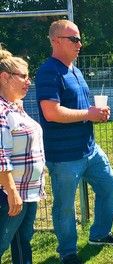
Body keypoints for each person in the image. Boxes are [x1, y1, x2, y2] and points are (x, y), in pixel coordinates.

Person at [35, 19, 113, 264]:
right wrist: (89, 114)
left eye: (79, 39)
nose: (80, 44)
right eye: (74, 39)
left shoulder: (74, 70)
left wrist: (95, 113)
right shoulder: (48, 71)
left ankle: (99, 234)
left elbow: (79, 109)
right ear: (56, 41)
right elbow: (51, 112)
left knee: (109, 186)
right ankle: (68, 252)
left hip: (89, 149)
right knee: (65, 207)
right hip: (64, 156)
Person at [0, 48, 45, 264]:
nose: (29, 82)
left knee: (22, 241)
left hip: (26, 192)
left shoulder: (15, 107)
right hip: (9, 194)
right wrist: (11, 192)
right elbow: (1, 156)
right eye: (24, 76)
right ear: (5, 77)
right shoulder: (2, 111)